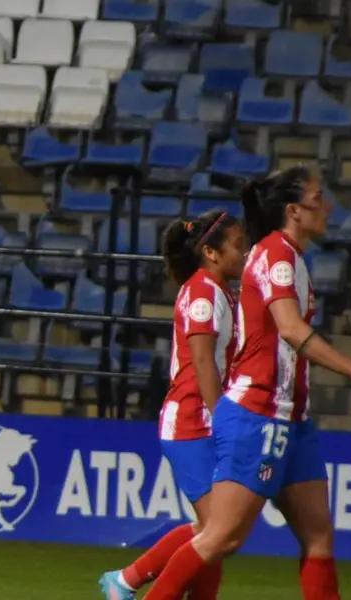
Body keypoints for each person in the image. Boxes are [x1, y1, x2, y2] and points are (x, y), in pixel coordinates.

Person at [145, 167, 351, 600]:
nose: (327, 206)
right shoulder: (274, 255)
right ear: (293, 210)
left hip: (293, 420)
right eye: (317, 198)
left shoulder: (291, 255)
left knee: (319, 538)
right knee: (220, 539)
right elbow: (289, 329)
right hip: (259, 413)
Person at [99, 209, 245, 600]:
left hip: (202, 422)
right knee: (217, 535)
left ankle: (126, 580)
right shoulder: (202, 294)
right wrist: (226, 420)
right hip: (191, 424)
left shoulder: (217, 291)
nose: (244, 253)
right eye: (237, 246)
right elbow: (201, 365)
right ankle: (128, 582)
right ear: (211, 253)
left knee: (213, 535)